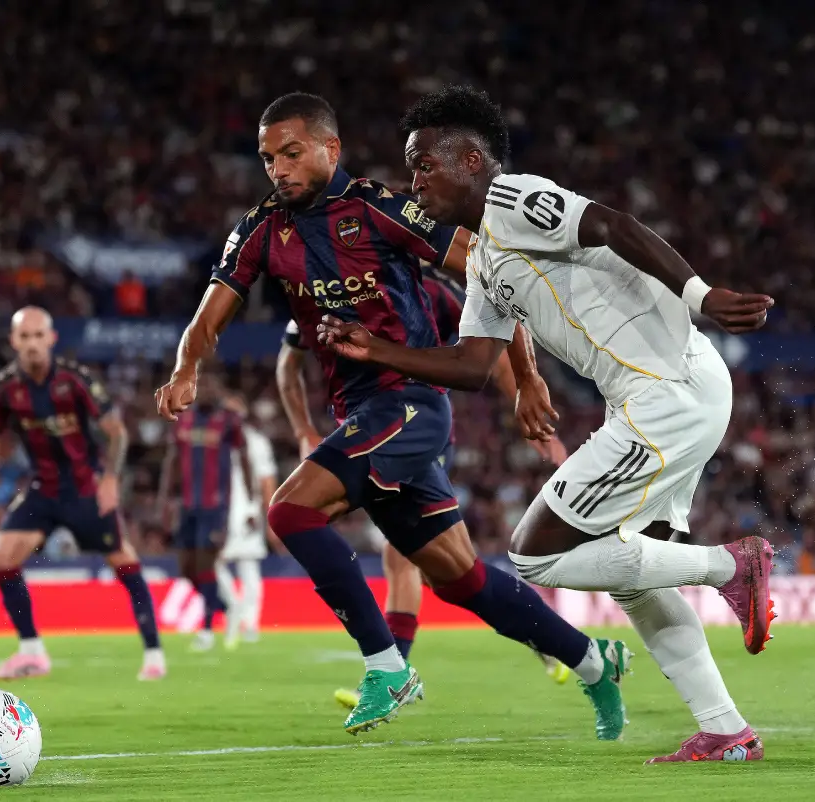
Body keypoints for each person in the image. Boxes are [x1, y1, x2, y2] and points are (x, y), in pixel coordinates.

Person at [317, 84, 778, 762]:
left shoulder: (513, 199)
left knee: (534, 551)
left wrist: (701, 294)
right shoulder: (482, 257)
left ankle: (729, 565)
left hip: (666, 392)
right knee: (634, 572)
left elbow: (615, 225)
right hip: (665, 396)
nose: (414, 181)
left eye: (424, 164)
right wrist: (377, 348)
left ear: (472, 160)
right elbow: (476, 365)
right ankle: (726, 729)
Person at [156, 92, 630, 739]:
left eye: (292, 153)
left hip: (410, 403)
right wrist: (186, 367)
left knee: (291, 512)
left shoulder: (382, 210)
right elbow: (211, 313)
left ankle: (387, 666)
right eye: (269, 158)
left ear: (331, 148)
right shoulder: (265, 228)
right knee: (460, 580)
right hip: (363, 412)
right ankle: (594, 661)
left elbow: (490, 272)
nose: (279, 169)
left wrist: (526, 378)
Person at [276, 273, 572, 712]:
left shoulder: (430, 290)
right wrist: (302, 429)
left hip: (419, 428)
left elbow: (495, 343)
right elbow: (288, 365)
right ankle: (553, 641)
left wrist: (522, 406)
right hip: (367, 427)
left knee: (404, 557)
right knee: (449, 574)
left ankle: (392, 671)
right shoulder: (324, 286)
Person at [0, 306, 166, 681]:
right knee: (0, 558)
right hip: (43, 490)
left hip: (85, 489)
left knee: (122, 560)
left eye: (38, 335)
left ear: (51, 338)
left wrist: (110, 479)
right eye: (24, 337)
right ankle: (32, 652)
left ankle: (154, 652)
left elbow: (116, 431)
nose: (31, 344)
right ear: (13, 341)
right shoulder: (3, 389)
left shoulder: (75, 380)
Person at [158, 373, 254, 652]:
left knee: (204, 565)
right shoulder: (183, 420)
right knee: (186, 568)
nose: (208, 392)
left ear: (220, 392)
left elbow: (244, 455)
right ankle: (225, 606)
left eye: (213, 386)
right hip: (187, 505)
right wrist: (164, 500)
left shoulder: (228, 421)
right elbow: (172, 460)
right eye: (203, 387)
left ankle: (208, 629)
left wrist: (249, 500)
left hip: (216, 506)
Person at [215, 391, 280, 646]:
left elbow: (267, 482)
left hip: (246, 513)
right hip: (218, 511)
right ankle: (234, 605)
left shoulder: (257, 442)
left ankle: (251, 623)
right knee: (211, 563)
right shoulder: (215, 440)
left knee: (249, 567)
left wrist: (269, 515)